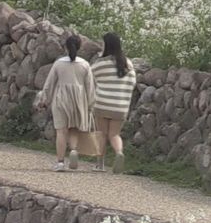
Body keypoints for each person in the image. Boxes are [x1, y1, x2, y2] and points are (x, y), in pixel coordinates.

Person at [36, 34, 96, 172]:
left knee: (61, 131)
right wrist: (90, 104)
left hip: (61, 98)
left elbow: (49, 84)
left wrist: (43, 100)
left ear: (65, 47)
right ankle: (74, 151)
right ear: (80, 47)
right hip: (79, 99)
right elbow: (90, 86)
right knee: (74, 128)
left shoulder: (59, 63)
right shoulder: (85, 65)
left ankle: (60, 162)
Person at [90, 32, 137, 173]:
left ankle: (100, 164)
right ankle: (119, 153)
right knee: (114, 134)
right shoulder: (127, 63)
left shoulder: (101, 63)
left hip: (102, 104)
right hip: (120, 106)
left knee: (101, 134)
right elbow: (132, 83)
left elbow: (90, 77)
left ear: (107, 46)